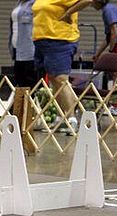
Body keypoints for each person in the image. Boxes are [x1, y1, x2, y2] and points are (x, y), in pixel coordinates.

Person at [61, 0, 117, 98]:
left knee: (116, 76)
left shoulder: (108, 10)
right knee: (116, 76)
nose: (91, 5)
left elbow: (114, 31)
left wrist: (112, 50)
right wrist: (98, 54)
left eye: (93, 2)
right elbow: (108, 37)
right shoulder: (109, 9)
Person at [32, 0, 80, 133]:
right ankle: (60, 118)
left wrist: (69, 12)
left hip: (60, 40)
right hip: (42, 41)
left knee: (61, 79)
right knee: (53, 79)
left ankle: (72, 120)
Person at [9, 0, 38, 88]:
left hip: (30, 50)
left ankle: (31, 101)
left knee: (30, 82)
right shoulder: (19, 3)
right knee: (19, 80)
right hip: (17, 50)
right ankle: (22, 101)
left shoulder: (36, 3)